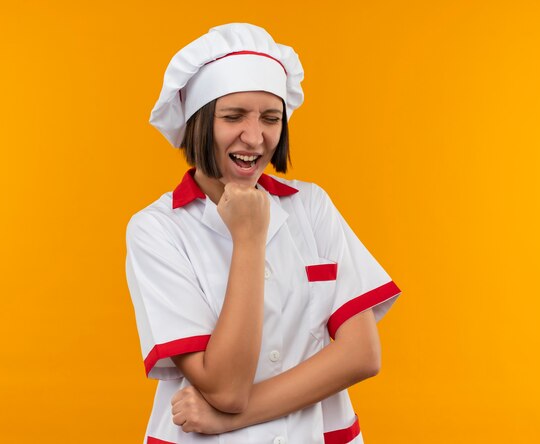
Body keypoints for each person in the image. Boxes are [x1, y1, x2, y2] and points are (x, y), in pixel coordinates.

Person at [125, 23, 402, 444]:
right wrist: (250, 239)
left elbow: (362, 355)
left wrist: (230, 419)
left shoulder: (311, 205)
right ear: (199, 122)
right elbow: (225, 388)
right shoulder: (157, 229)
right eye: (233, 116)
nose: (255, 138)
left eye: (271, 118)